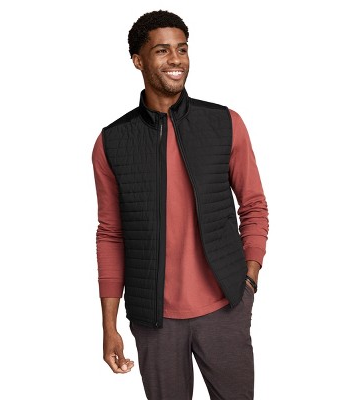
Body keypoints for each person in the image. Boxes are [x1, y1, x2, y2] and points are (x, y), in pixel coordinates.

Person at [92, 10, 269, 400]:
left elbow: (254, 204)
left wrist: (250, 276)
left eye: (182, 49)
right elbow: (111, 235)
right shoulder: (112, 142)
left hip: (225, 307)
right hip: (154, 321)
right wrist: (109, 326)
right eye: (162, 50)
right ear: (138, 60)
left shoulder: (225, 123)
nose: (176, 60)